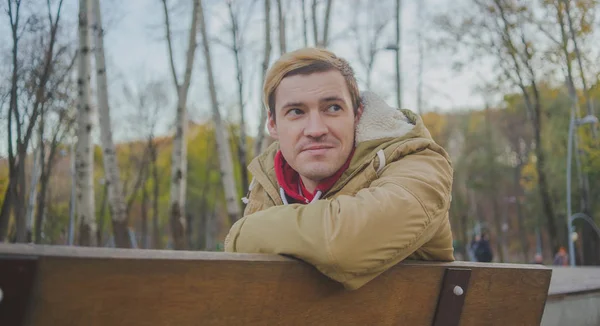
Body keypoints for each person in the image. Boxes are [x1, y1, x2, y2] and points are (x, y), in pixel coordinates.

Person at [224, 48, 454, 290]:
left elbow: (342, 246)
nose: (315, 129)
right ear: (272, 124)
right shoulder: (266, 182)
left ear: (356, 114)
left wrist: (241, 233)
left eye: (332, 108)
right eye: (296, 112)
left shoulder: (420, 162)